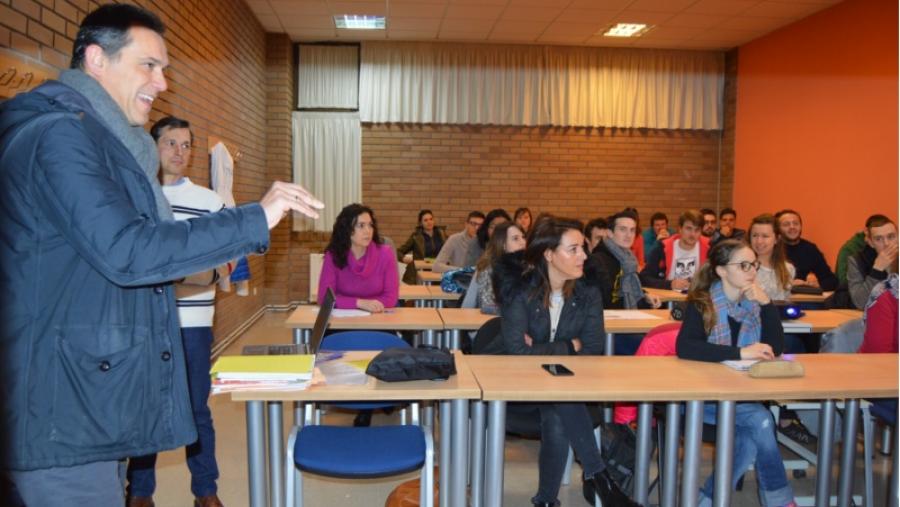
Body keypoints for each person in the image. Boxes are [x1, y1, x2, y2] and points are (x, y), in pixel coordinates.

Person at [0, 5, 323, 505]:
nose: (162, 81)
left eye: (164, 68)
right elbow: (129, 250)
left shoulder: (97, 141)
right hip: (60, 416)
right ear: (96, 59)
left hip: (83, 399)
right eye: (149, 65)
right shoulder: (59, 137)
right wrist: (254, 217)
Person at [494, 216, 640, 507]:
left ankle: (547, 500)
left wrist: (544, 348)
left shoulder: (588, 294)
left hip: (569, 388)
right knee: (562, 402)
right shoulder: (520, 291)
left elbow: (592, 350)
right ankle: (600, 479)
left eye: (583, 248)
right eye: (573, 249)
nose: (584, 255)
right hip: (516, 389)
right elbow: (516, 353)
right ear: (549, 254)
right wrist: (567, 346)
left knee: (559, 409)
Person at [125, 117, 228, 507]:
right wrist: (188, 270)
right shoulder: (134, 198)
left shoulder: (210, 202)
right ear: (153, 147)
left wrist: (161, 275)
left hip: (193, 324)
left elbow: (220, 271)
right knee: (145, 409)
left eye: (186, 145)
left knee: (197, 408)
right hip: (145, 325)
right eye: (171, 143)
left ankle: (206, 491)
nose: (179, 152)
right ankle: (140, 493)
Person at [675, 240, 796, 507]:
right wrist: (741, 353)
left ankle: (708, 499)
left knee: (752, 433)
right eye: (743, 265)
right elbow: (686, 347)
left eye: (753, 264)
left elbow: (775, 348)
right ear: (721, 271)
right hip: (702, 398)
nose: (752, 271)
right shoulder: (702, 303)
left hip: (742, 396)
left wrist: (767, 305)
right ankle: (780, 500)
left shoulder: (753, 304)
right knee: (761, 421)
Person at [585, 210, 662, 355]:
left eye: (632, 230)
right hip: (606, 331)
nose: (628, 235)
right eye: (622, 229)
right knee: (653, 348)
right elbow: (606, 301)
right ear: (610, 233)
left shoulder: (627, 259)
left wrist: (645, 296)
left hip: (626, 323)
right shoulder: (598, 260)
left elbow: (629, 293)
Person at [319, 204, 399, 312]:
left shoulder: (385, 253)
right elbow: (324, 298)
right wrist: (359, 303)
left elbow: (391, 298)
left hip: (378, 317)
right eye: (361, 225)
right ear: (346, 229)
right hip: (342, 320)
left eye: (370, 225)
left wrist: (366, 305)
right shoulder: (333, 255)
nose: (368, 231)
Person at [462, 222, 526, 314]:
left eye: (523, 237)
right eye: (515, 239)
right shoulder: (489, 268)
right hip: (491, 323)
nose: (523, 242)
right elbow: (488, 305)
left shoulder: (529, 267)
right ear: (503, 244)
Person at [640, 209, 710, 291]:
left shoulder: (709, 248)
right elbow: (644, 278)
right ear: (680, 229)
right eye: (688, 229)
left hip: (697, 298)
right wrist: (670, 284)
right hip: (669, 299)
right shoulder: (661, 248)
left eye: (697, 230)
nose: (692, 234)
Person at [775, 209, 838, 290]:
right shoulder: (772, 248)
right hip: (778, 297)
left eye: (796, 223)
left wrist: (813, 285)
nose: (792, 227)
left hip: (803, 297)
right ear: (778, 229)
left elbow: (831, 280)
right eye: (786, 224)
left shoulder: (809, 249)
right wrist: (789, 284)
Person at [847, 214, 898, 309]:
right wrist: (877, 270)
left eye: (891, 237)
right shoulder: (857, 261)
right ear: (870, 242)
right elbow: (861, 303)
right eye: (878, 239)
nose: (886, 244)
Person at [748, 214, 795, 302]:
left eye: (765, 236)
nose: (759, 241)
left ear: (777, 239)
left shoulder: (788, 269)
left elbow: (785, 301)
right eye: (754, 235)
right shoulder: (743, 267)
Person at [397, 209, 447, 284]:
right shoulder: (415, 237)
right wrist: (403, 258)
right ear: (421, 223)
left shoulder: (442, 234)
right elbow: (398, 252)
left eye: (431, 219)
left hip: (438, 272)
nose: (429, 222)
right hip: (420, 273)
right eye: (425, 220)